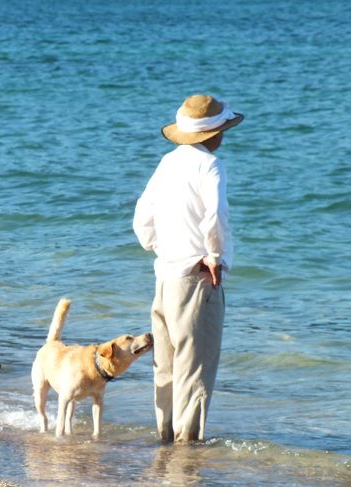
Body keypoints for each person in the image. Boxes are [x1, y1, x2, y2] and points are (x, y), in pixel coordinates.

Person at [133, 94, 244, 443]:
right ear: (214, 134)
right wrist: (214, 256)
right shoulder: (210, 165)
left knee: (165, 367)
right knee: (195, 370)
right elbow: (215, 216)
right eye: (223, 129)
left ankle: (164, 440)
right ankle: (187, 453)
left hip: (165, 274)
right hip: (196, 278)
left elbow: (142, 216)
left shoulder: (167, 162)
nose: (224, 135)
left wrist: (159, 247)